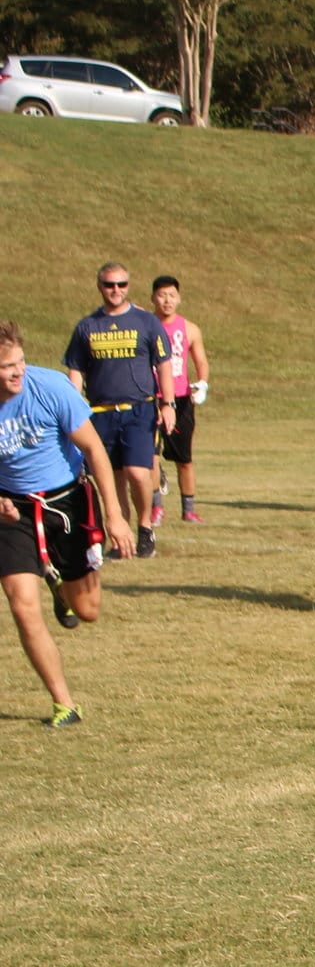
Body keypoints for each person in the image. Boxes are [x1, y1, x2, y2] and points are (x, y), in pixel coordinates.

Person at [1, 320, 137, 727]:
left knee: (88, 610)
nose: (17, 371)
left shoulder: (51, 388)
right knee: (22, 605)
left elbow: (94, 449)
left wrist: (115, 516)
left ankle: (60, 587)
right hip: (14, 511)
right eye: (6, 366)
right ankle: (64, 704)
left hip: (68, 503)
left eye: (20, 361)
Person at [62, 262, 175, 560]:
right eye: (110, 285)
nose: (116, 290)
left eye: (121, 285)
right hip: (100, 412)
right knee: (111, 480)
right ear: (100, 286)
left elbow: (163, 364)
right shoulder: (87, 326)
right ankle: (121, 537)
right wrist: (74, 408)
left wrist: (168, 402)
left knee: (139, 472)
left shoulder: (146, 322)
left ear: (128, 286)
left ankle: (145, 526)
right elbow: (76, 369)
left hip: (139, 410)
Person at [147, 275, 211, 527]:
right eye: (162, 295)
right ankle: (156, 508)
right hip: (151, 398)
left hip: (181, 399)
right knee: (150, 456)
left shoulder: (190, 329)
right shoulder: (145, 324)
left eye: (171, 295)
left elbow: (201, 361)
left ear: (179, 298)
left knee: (184, 458)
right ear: (153, 298)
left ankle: (189, 509)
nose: (167, 300)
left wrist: (202, 383)